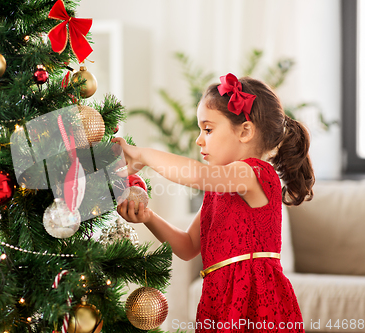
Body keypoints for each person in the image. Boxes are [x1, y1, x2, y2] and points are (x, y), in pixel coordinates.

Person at [111, 73, 314, 333]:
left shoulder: (255, 173)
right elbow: (187, 247)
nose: (199, 140)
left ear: (245, 131)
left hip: (255, 300)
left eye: (208, 129)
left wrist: (143, 155)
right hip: (219, 298)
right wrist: (148, 216)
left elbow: (198, 175)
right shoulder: (217, 191)